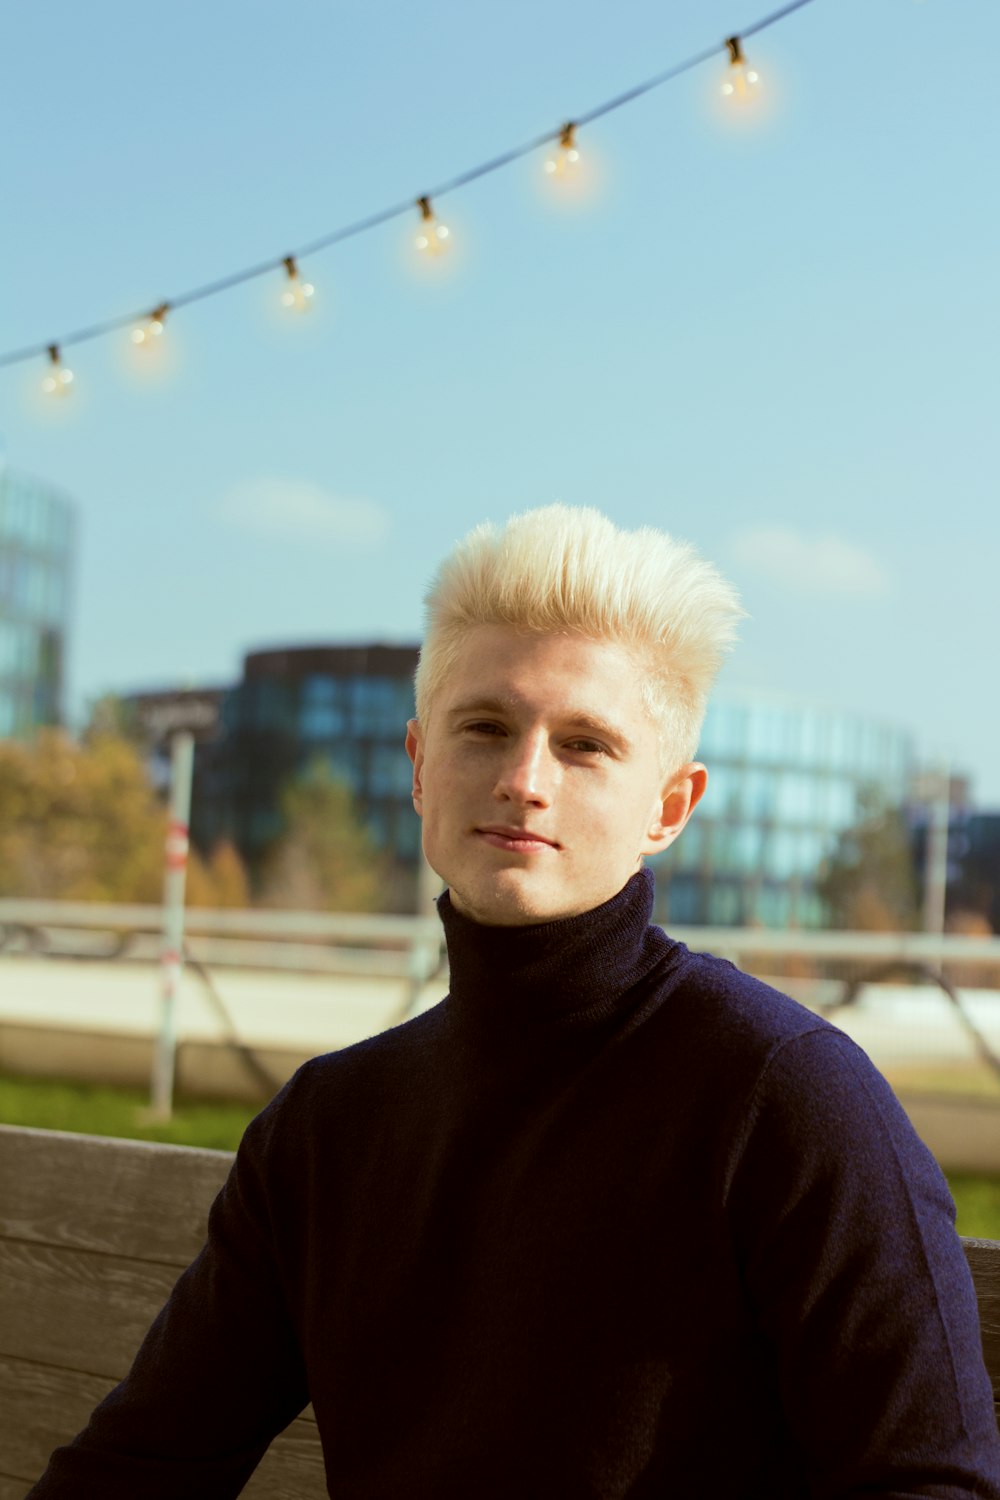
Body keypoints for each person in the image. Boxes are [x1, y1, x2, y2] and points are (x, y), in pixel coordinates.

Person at [29, 506, 1000, 1497]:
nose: (523, 780)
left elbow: (925, 1485)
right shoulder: (328, 1131)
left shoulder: (785, 1096)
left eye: (584, 746)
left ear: (669, 806)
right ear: (418, 765)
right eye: (485, 727)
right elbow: (140, 1466)